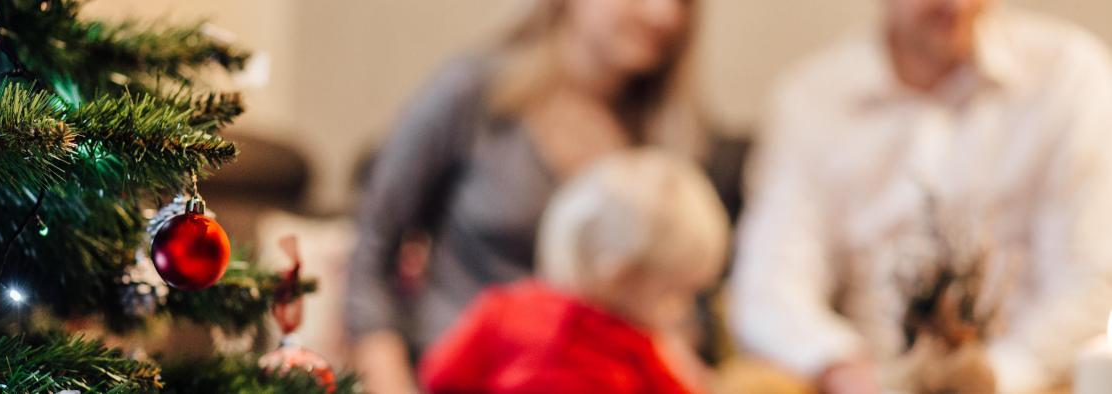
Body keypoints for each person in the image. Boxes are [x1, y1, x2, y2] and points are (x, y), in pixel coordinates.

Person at [731, 0, 1112, 393]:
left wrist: (997, 377)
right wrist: (839, 364)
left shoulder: (1068, 76)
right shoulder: (811, 100)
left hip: (1031, 379)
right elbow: (769, 286)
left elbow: (1091, 277)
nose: (958, 5)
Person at [343, 0, 704, 392]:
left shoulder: (665, 143)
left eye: (683, 2)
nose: (663, 15)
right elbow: (373, 247)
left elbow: (679, 309)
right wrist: (391, 384)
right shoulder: (474, 91)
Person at [419, 149, 729, 394]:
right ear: (621, 277)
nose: (684, 311)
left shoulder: (503, 308)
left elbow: (439, 374)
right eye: (675, 294)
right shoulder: (640, 351)